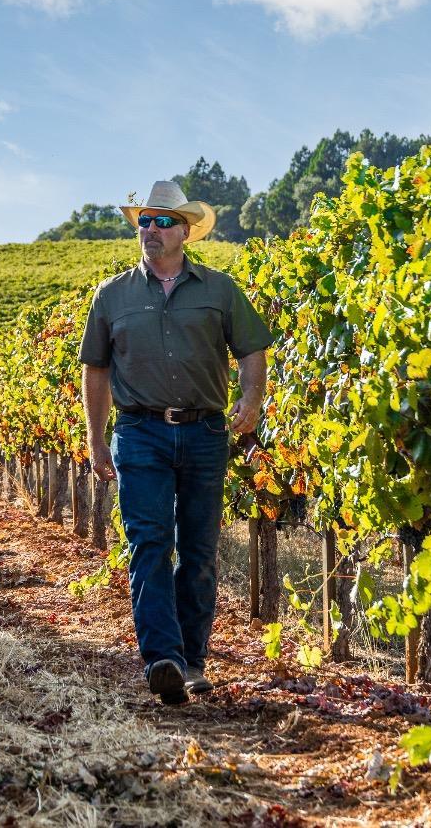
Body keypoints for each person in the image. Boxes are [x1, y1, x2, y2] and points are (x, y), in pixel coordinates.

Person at [78, 179, 271, 706]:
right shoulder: (111, 295)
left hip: (205, 433)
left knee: (199, 551)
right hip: (139, 433)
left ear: (186, 232)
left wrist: (251, 397)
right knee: (149, 543)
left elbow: (252, 350)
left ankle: (192, 660)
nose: (152, 229)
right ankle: (161, 658)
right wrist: (96, 438)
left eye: (163, 222)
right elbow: (95, 369)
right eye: (145, 221)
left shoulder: (220, 290)